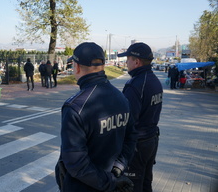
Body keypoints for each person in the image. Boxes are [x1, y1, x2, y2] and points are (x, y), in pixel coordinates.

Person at [55, 42, 137, 192]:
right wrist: (117, 170)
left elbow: (76, 164)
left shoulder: (75, 107)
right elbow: (131, 138)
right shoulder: (122, 98)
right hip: (112, 180)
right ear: (103, 66)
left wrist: (110, 182)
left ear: (77, 67)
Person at [117, 42, 163, 192]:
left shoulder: (135, 85)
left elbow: (127, 121)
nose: (126, 62)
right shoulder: (154, 80)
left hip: (137, 146)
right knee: (145, 182)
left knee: (132, 186)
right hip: (151, 140)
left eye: (128, 59)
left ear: (136, 61)